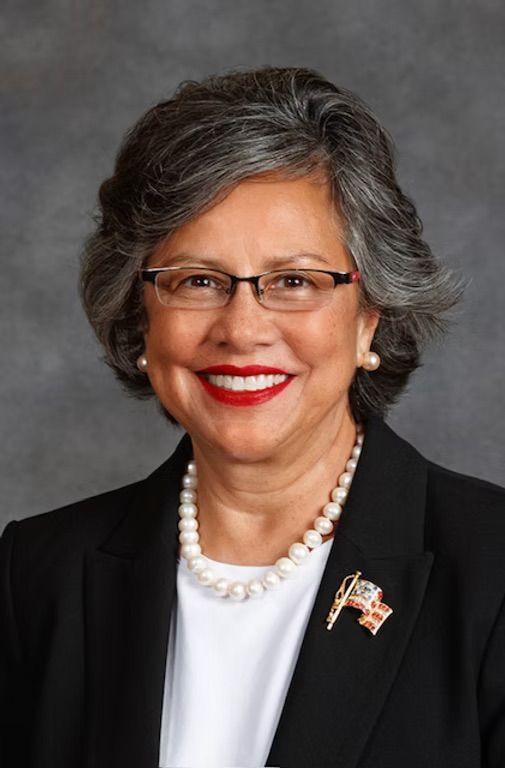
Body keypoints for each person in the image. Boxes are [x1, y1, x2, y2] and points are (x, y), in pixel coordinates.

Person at [1, 66, 504, 768]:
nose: (242, 330)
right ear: (139, 316)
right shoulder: (36, 577)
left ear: (368, 320)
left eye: (294, 281)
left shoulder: (490, 570)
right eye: (196, 281)